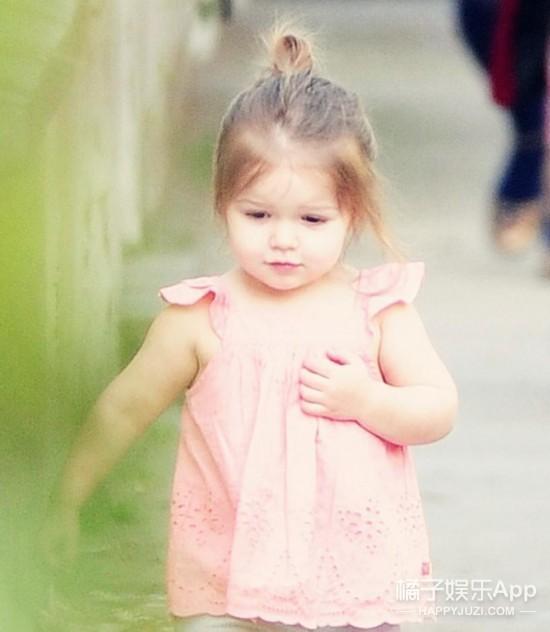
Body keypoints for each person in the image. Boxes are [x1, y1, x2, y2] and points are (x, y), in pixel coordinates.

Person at [43, 26, 458, 632]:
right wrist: (67, 498)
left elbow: (438, 407)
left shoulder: (376, 310)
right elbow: (124, 408)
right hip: (233, 585)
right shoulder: (200, 317)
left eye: (312, 219)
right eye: (257, 214)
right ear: (222, 203)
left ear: (354, 213)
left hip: (355, 584)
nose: (283, 239)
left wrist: (367, 401)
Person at [456, 0, 550, 275]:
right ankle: (521, 202)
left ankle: (522, 204)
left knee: (534, 124)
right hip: (500, 16)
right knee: (531, 121)